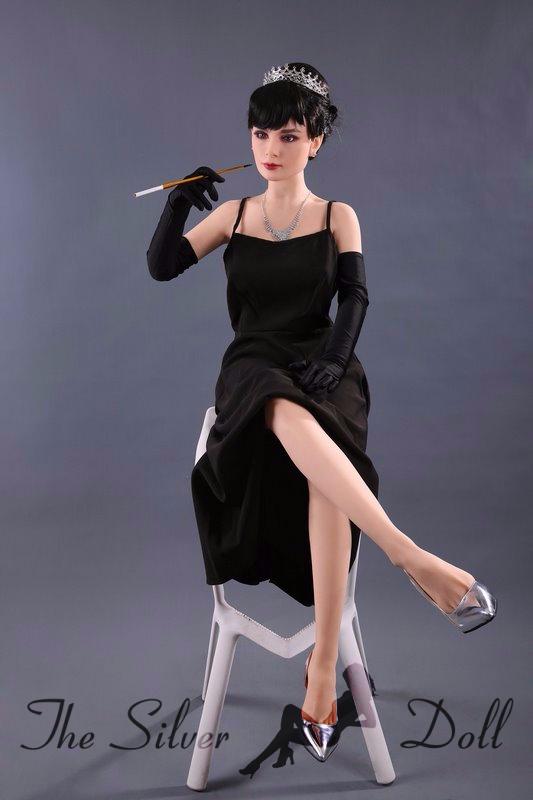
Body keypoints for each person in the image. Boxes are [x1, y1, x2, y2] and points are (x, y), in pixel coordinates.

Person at [146, 62, 497, 763]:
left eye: (287, 134)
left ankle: (321, 671)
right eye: (259, 134)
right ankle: (411, 558)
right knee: (278, 403)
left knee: (321, 466)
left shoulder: (339, 214)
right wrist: (177, 203)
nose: (270, 148)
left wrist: (335, 361)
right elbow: (162, 266)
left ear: (316, 142)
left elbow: (354, 298)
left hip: (324, 364)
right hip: (253, 366)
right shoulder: (233, 215)